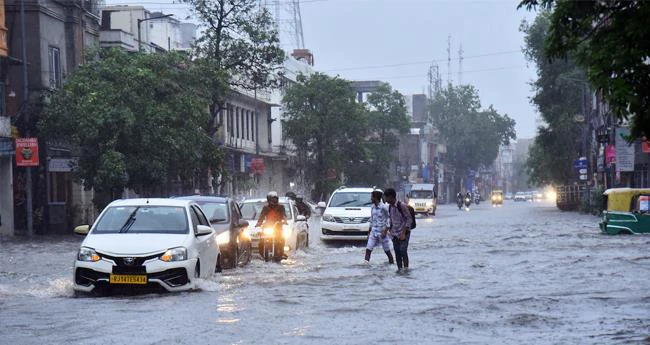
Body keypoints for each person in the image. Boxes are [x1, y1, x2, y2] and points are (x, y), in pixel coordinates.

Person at [383, 188, 413, 272]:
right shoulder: (389, 207)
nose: (385, 199)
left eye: (386, 197)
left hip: (404, 233)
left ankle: (406, 270)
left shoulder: (402, 205)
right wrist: (387, 230)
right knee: (397, 253)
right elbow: (390, 220)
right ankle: (399, 270)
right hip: (394, 234)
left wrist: (403, 233)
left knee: (403, 250)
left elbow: (409, 219)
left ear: (391, 197)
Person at [255, 191, 288, 261]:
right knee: (261, 240)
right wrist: (259, 223)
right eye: (272, 199)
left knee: (281, 239)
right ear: (269, 200)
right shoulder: (265, 208)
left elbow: (284, 215)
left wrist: (284, 221)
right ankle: (261, 253)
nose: (274, 201)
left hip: (278, 226)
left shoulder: (281, 207)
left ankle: (281, 252)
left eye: (275, 199)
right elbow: (261, 216)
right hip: (268, 226)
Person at [364, 190, 394, 265]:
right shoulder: (372, 207)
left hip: (382, 233)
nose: (371, 199)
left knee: (387, 250)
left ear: (375, 198)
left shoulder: (384, 207)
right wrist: (369, 231)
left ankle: (392, 263)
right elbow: (371, 219)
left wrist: (385, 230)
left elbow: (389, 219)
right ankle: (366, 264)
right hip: (373, 232)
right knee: (368, 248)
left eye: (372, 197)